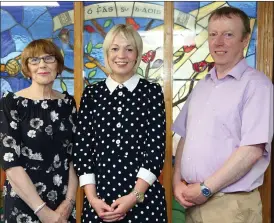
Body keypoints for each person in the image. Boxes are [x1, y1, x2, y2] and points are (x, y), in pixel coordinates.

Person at [172, 6, 273, 223]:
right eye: (213, 34)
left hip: (230, 206)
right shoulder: (202, 86)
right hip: (192, 202)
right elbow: (185, 137)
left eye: (228, 34)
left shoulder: (257, 86)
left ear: (245, 40)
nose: (218, 42)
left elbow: (252, 150)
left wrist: (206, 189)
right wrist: (177, 181)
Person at [73, 24, 167, 222]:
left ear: (137, 54)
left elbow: (155, 149)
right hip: (99, 203)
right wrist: (92, 199)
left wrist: (134, 196)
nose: (121, 55)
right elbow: (82, 150)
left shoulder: (152, 92)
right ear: (107, 54)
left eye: (129, 49)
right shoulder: (92, 94)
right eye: (115, 48)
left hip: (143, 199)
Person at [0, 39, 78, 223]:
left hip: (62, 207)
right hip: (24, 204)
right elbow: (10, 163)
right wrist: (43, 213)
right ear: (27, 68)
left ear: (58, 65)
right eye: (34, 60)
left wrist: (69, 203)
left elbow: (75, 157)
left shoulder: (68, 104)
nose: (42, 64)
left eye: (49, 58)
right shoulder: (11, 103)